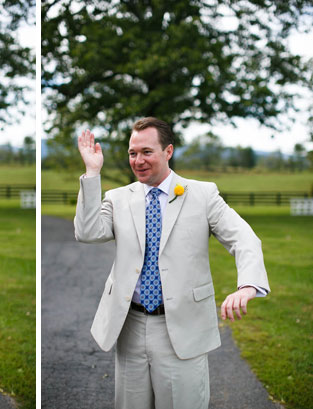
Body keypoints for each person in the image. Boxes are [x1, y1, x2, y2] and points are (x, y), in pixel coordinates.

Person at [74, 117, 270, 408]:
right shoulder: (118, 198)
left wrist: (247, 286)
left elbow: (244, 239)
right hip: (129, 325)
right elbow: (87, 232)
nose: (138, 160)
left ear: (168, 151)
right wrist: (92, 172)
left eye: (147, 152)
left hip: (183, 326)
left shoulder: (203, 195)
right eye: (132, 153)